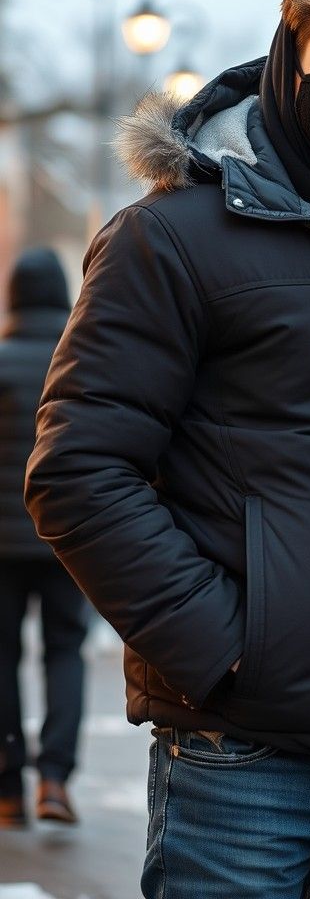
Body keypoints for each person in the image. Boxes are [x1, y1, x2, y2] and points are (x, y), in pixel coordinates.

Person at [25, 0, 310, 898]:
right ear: (289, 62)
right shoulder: (173, 234)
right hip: (243, 765)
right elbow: (79, 471)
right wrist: (226, 652)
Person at [0, 247, 87, 827]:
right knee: (64, 652)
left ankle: (7, 787)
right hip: (70, 539)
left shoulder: (1, 363)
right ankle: (53, 780)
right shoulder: (82, 359)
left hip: (2, 547)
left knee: (2, 657)